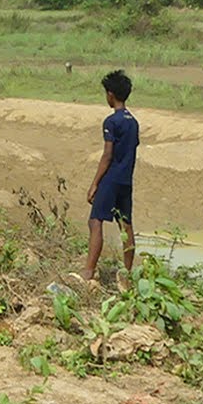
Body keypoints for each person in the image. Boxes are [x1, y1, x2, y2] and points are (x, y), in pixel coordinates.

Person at [80, 70, 140, 284]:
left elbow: (108, 155)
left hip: (111, 179)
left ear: (111, 95)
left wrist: (95, 183)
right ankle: (127, 273)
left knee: (95, 222)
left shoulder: (111, 121)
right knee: (126, 225)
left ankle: (88, 271)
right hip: (126, 180)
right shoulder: (133, 122)